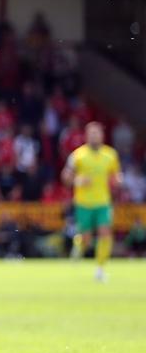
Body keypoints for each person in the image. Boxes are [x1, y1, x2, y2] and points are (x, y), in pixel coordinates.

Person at [62, 121, 122, 282]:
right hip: (83, 203)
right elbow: (65, 176)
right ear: (86, 136)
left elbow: (116, 175)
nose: (94, 136)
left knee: (105, 232)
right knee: (87, 238)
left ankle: (100, 269)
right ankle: (79, 245)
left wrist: (118, 180)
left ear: (102, 135)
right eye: (91, 133)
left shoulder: (110, 155)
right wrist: (77, 180)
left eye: (97, 133)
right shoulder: (77, 155)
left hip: (103, 202)